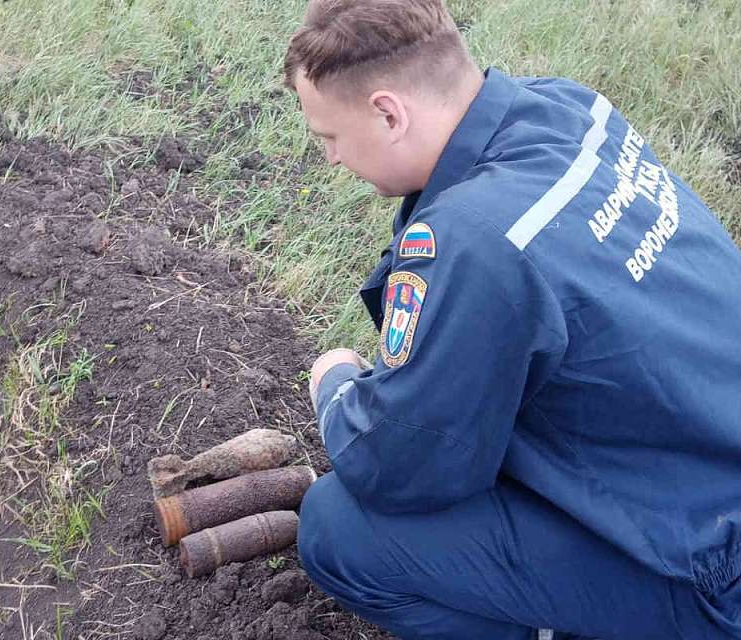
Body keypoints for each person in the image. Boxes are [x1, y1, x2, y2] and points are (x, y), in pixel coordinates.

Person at [285, 1, 741, 639]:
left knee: (340, 530)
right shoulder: (569, 108)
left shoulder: (475, 237)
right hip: (707, 462)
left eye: (328, 136)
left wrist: (334, 386)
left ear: (388, 112)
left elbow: (404, 465)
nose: (332, 159)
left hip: (711, 571)